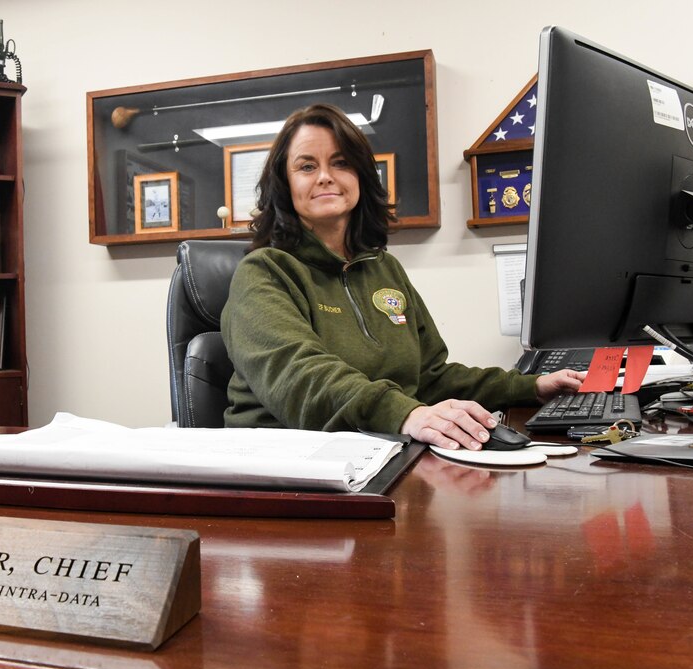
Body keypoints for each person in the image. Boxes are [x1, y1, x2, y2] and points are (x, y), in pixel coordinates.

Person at [220, 103, 584, 451]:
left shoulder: (384, 268)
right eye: (306, 166)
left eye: (341, 162)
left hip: (380, 446)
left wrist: (529, 387)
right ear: (284, 183)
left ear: (361, 175)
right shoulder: (264, 272)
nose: (326, 176)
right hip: (285, 463)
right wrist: (406, 413)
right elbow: (299, 378)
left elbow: (430, 376)